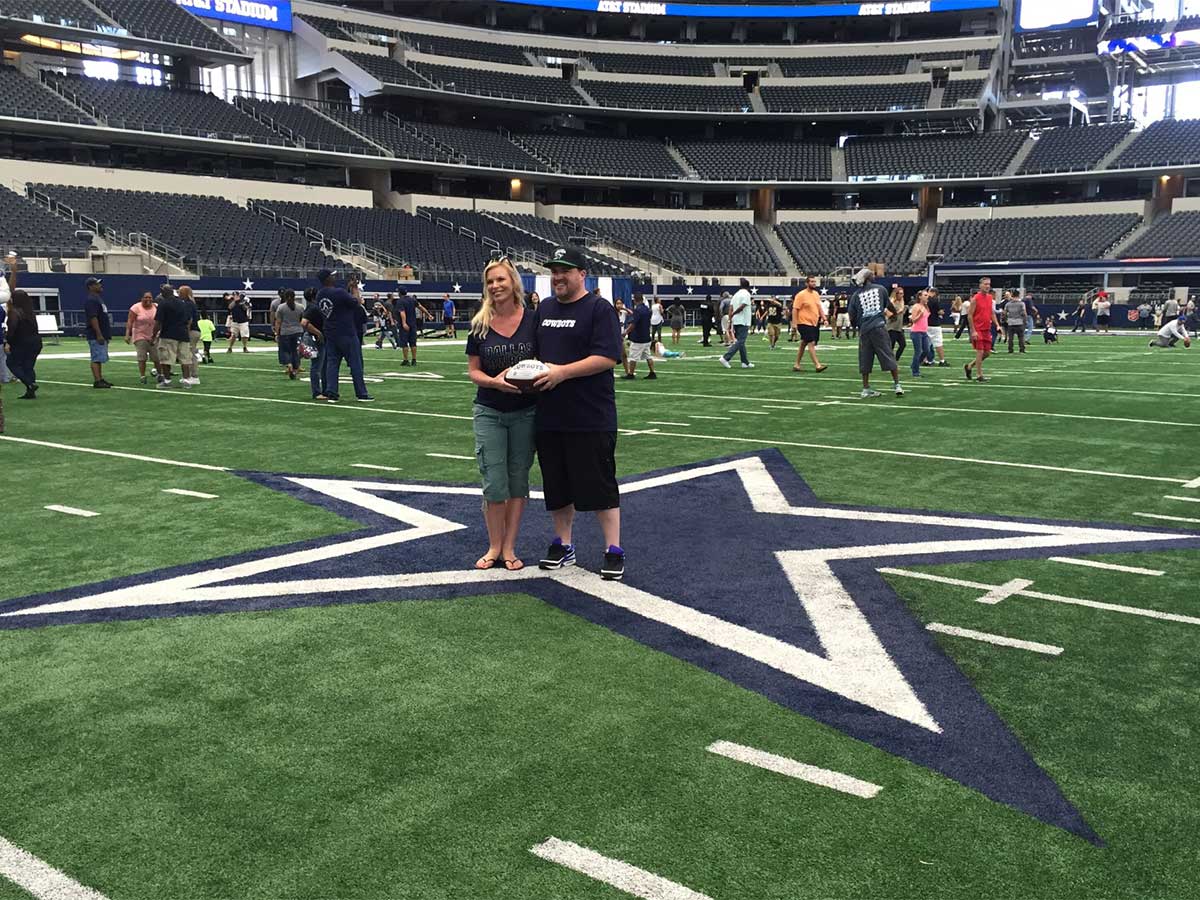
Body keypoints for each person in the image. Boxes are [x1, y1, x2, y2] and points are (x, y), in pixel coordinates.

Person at [532, 246, 625, 581]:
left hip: (590, 414)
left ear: (581, 274)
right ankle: (563, 543)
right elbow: (535, 354)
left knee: (599, 484)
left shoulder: (599, 309)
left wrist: (562, 373)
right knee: (556, 486)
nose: (558, 277)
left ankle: (613, 549)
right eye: (554, 271)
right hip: (550, 414)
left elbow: (608, 357)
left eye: (565, 271)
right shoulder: (544, 309)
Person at [466, 258, 539, 572]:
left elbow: (544, 361)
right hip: (490, 411)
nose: (495, 286)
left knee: (518, 481)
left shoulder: (533, 320)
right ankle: (494, 545)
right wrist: (495, 382)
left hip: (526, 411)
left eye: (500, 280)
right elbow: (473, 372)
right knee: (494, 483)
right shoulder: (480, 323)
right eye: (490, 282)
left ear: (514, 284)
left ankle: (509, 545)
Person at [317, 269, 374, 403]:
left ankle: (332, 392)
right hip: (346, 333)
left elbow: (340, 305)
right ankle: (361, 393)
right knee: (356, 364)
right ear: (328, 279)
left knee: (332, 364)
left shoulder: (320, 294)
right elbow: (357, 302)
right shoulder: (339, 292)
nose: (334, 277)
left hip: (330, 333)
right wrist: (354, 288)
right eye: (332, 276)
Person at [849, 268, 903, 398]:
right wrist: (894, 314)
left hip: (865, 330)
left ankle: (866, 388)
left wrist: (858, 326)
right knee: (888, 355)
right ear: (868, 278)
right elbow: (888, 306)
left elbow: (852, 315)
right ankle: (897, 385)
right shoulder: (880, 289)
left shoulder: (856, 295)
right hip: (879, 327)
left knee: (865, 359)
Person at [151, 283, 194, 390]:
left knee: (165, 359)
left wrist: (153, 335)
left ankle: (167, 381)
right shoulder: (183, 303)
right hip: (183, 334)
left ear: (163, 293)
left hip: (168, 334)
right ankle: (186, 380)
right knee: (185, 359)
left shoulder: (163, 304)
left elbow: (158, 322)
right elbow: (189, 320)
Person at [3, 289, 41, 402]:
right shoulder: (29, 312)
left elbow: (12, 330)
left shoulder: (14, 312)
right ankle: (30, 391)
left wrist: (7, 341)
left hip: (22, 342)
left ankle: (30, 384)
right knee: (28, 366)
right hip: (35, 342)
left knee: (11, 363)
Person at [966, 277, 1001, 383]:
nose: (987, 286)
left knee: (987, 353)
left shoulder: (990, 298)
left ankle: (969, 366)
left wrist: (997, 325)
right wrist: (973, 330)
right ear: (980, 285)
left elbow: (991, 313)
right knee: (980, 352)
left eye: (988, 284)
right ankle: (979, 375)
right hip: (978, 329)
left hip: (986, 328)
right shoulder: (976, 298)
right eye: (985, 284)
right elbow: (970, 315)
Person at [791, 275, 827, 373]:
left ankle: (797, 364)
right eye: (811, 282)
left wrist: (824, 318)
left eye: (814, 282)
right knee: (811, 342)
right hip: (803, 322)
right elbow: (795, 309)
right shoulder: (801, 295)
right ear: (807, 283)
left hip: (813, 323)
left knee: (803, 343)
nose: (814, 283)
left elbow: (819, 307)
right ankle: (817, 365)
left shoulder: (816, 294)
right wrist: (794, 323)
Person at [83, 276, 112, 389]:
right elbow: (93, 318)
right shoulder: (92, 300)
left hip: (102, 333)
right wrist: (99, 334)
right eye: (97, 284)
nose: (100, 286)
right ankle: (97, 380)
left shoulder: (97, 299)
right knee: (96, 357)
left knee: (99, 357)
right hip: (96, 335)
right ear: (91, 287)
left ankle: (100, 378)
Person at [719, 278, 754, 370]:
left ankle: (745, 362)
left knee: (741, 342)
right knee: (741, 341)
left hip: (736, 320)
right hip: (743, 320)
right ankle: (726, 358)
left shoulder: (736, 294)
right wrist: (734, 313)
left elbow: (731, 307)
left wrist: (731, 317)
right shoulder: (746, 294)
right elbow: (742, 306)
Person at [125, 290, 159, 384]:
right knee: (142, 356)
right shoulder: (136, 307)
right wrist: (128, 334)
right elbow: (130, 321)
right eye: (146, 297)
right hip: (140, 334)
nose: (148, 299)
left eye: (150, 297)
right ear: (142, 298)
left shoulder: (156, 306)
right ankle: (142, 375)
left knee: (156, 356)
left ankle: (159, 374)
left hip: (154, 334)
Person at [300, 287, 328, 401]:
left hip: (317, 338)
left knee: (322, 366)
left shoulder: (311, 307)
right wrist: (318, 333)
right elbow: (304, 323)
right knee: (317, 366)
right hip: (316, 339)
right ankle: (317, 392)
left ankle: (325, 390)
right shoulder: (313, 308)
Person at [623, 293, 656, 380]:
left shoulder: (637, 310)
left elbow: (634, 324)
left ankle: (631, 374)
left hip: (638, 337)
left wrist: (626, 332)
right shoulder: (647, 309)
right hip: (646, 336)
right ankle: (652, 372)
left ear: (635, 300)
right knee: (648, 356)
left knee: (633, 356)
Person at [274, 289, 304, 380]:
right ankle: (296, 368)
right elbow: (302, 320)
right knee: (296, 351)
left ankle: (289, 365)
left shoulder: (281, 307)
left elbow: (278, 322)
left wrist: (276, 333)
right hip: (298, 331)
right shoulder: (301, 307)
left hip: (285, 332)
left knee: (286, 350)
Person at [178, 285, 202, 387]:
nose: (178, 294)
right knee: (190, 353)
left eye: (180, 292)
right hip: (194, 331)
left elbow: (189, 320)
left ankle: (194, 376)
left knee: (189, 354)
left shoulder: (188, 304)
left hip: (191, 331)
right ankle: (192, 375)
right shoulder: (191, 303)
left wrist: (185, 332)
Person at [908, 291, 931, 378]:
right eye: (925, 295)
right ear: (920, 297)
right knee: (918, 351)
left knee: (927, 350)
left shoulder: (925, 306)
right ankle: (915, 372)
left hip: (924, 332)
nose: (927, 297)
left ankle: (915, 364)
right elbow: (913, 320)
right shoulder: (916, 306)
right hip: (916, 332)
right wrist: (920, 315)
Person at [396, 290, 419, 367]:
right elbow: (420, 306)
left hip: (405, 325)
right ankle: (414, 360)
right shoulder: (412, 299)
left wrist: (404, 323)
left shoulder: (400, 301)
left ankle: (406, 360)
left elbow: (402, 312)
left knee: (404, 343)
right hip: (413, 324)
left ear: (399, 293)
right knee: (413, 343)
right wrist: (428, 314)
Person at [886, 286, 907, 361]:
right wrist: (899, 312)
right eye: (900, 293)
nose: (902, 295)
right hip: (892, 327)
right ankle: (890, 362)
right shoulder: (891, 302)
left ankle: (895, 359)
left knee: (903, 344)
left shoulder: (902, 301)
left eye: (903, 293)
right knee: (891, 346)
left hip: (899, 327)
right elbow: (888, 315)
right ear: (896, 294)